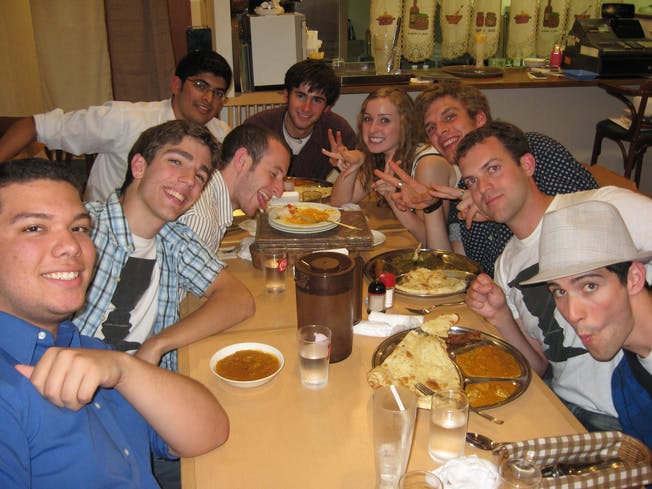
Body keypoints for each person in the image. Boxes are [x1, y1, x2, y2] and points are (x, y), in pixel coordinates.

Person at [0, 158, 229, 488]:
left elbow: (210, 432)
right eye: (34, 228)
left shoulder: (88, 349)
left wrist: (123, 368)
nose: (71, 246)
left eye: (79, 229)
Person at [458, 120, 652, 431]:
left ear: (527, 165)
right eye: (471, 181)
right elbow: (538, 366)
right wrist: (501, 316)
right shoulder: (506, 264)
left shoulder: (604, 207)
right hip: (559, 405)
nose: (482, 189)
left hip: (623, 414)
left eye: (493, 169)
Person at [73, 120, 255, 372]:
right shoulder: (81, 230)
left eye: (200, 176)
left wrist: (157, 345)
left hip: (142, 381)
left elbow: (239, 299)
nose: (189, 180)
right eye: (176, 162)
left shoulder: (174, 240)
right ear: (139, 166)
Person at [373, 81, 597, 275]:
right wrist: (431, 207)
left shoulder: (533, 150)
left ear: (479, 119)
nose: (440, 131)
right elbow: (450, 266)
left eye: (450, 117)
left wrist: (489, 199)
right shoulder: (463, 186)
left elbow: (590, 221)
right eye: (431, 128)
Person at [0, 50, 232, 202]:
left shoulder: (220, 134)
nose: (208, 99)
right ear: (176, 85)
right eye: (200, 85)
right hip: (110, 236)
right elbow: (34, 126)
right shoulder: (125, 119)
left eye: (218, 93)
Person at [521, 201, 652, 449]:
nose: (572, 314)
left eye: (589, 286)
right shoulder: (625, 381)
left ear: (634, 278)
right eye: (559, 291)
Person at [326, 87, 458, 250]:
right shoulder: (383, 154)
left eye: (384, 120)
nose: (372, 129)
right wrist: (354, 167)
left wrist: (394, 203)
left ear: (405, 124)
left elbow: (431, 243)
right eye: (368, 119)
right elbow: (339, 203)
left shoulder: (428, 164)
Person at [179, 123, 291, 251]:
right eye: (273, 174)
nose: (279, 192)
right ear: (242, 161)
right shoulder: (201, 221)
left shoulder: (212, 202)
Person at [244, 59, 355, 181]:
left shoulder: (338, 132)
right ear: (286, 95)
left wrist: (348, 167)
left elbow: (362, 179)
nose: (306, 108)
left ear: (327, 108)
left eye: (317, 100)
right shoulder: (257, 128)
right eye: (300, 96)